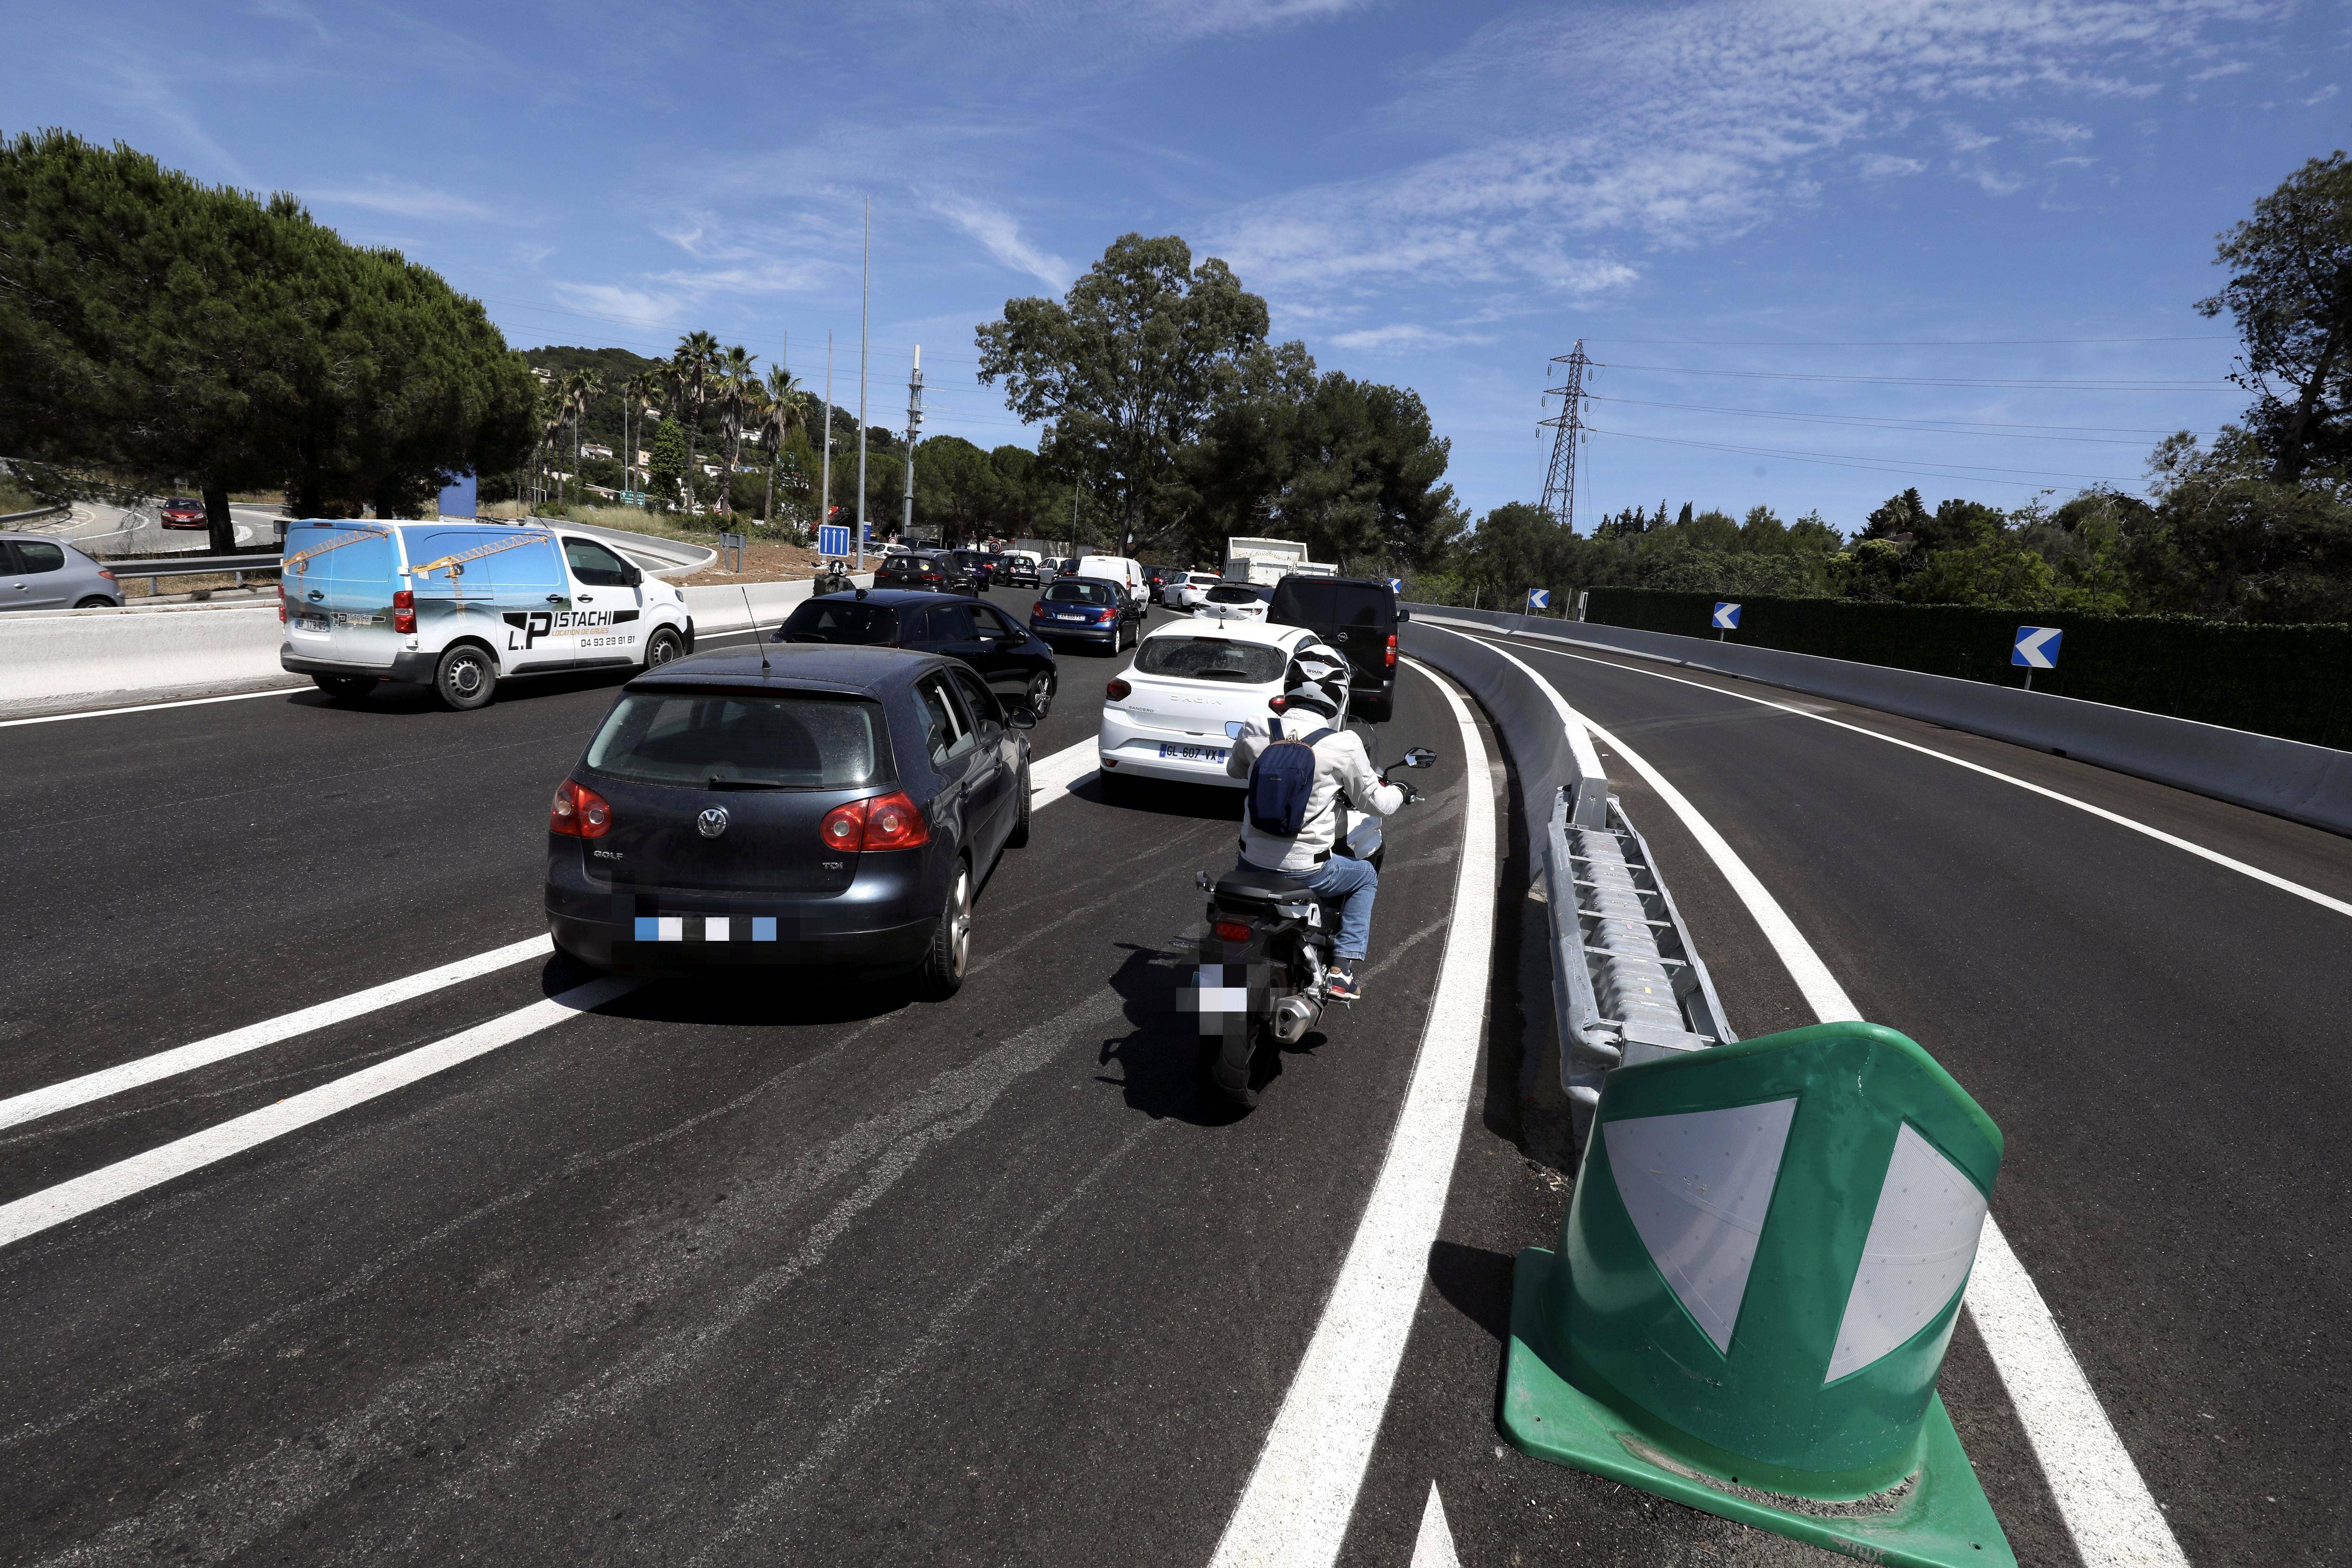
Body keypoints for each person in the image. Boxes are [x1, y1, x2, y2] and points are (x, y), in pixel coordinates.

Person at [1223, 645, 1408, 1001]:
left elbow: (1235, 771)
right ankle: (1341, 970)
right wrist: (1399, 790)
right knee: (1365, 877)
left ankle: (1218, 999)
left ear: (1290, 683)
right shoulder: (1344, 743)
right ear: (1340, 695)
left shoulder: (1257, 726)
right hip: (1307, 872)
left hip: (1250, 863)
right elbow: (1379, 804)